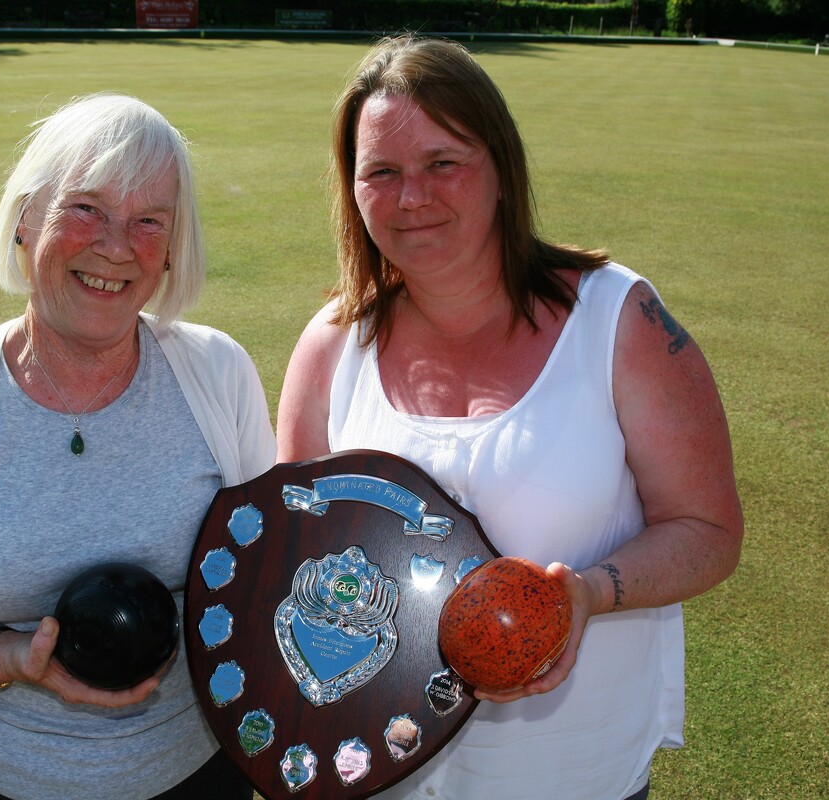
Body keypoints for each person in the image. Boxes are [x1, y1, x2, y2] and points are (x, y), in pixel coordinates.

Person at [276, 35, 744, 800]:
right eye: (382, 173)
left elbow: (709, 531)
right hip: (384, 775)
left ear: (500, 169)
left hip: (571, 772)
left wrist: (587, 594)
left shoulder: (616, 318)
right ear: (352, 191)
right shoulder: (333, 343)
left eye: (443, 164)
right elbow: (298, 554)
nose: (412, 198)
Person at [0, 93, 276, 800]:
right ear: (25, 219)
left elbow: (264, 571)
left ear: (170, 249)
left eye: (148, 221)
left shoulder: (219, 376)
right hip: (13, 783)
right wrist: (7, 656)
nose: (116, 246)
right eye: (86, 208)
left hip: (205, 771)